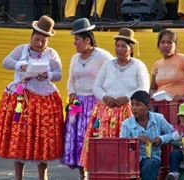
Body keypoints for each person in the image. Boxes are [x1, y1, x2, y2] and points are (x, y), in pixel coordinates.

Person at [0, 15, 64, 180]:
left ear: (48, 41)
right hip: (22, 99)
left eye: (43, 41)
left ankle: (42, 176)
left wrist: (48, 74)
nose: (39, 44)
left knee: (42, 138)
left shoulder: (52, 54)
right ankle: (18, 176)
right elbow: (6, 62)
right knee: (20, 137)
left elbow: (59, 75)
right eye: (37, 39)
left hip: (44, 99)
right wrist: (21, 65)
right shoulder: (22, 49)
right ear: (31, 36)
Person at [79, 28, 150, 170]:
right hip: (106, 111)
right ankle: (104, 172)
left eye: (124, 46)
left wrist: (128, 98)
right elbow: (96, 87)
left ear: (131, 48)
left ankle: (126, 171)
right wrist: (105, 97)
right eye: (118, 45)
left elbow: (143, 87)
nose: (120, 49)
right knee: (104, 146)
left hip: (128, 112)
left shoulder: (138, 66)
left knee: (126, 146)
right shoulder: (108, 65)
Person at [61, 18, 113, 180]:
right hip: (78, 105)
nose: (74, 43)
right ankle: (83, 174)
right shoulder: (75, 59)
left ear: (87, 39)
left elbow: (112, 75)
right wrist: (72, 94)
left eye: (77, 39)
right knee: (78, 139)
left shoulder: (103, 56)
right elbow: (71, 80)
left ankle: (96, 173)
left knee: (92, 138)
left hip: (96, 104)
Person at [120, 90, 174, 180]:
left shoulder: (158, 118)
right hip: (133, 161)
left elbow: (174, 133)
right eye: (132, 104)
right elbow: (123, 148)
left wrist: (161, 139)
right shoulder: (126, 124)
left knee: (151, 164)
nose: (133, 108)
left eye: (138, 105)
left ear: (148, 106)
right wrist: (136, 140)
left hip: (153, 158)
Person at [150, 29, 184, 103]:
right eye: (162, 42)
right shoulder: (157, 64)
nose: (165, 45)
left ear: (175, 45)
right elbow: (153, 88)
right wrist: (153, 95)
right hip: (161, 106)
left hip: (179, 107)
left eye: (170, 42)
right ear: (158, 45)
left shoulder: (183, 59)